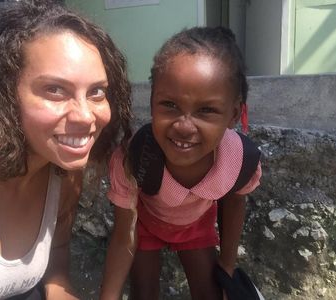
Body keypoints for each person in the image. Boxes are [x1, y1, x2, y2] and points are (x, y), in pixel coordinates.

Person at [0, 0, 132, 299]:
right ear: (4, 93)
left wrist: (60, 289)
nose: (86, 116)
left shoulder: (62, 171)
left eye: (96, 92)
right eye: (55, 90)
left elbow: (56, 253)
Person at [100, 26, 262, 300]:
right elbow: (123, 233)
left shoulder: (239, 160)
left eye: (206, 110)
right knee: (144, 293)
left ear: (234, 113)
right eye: (170, 105)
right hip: (144, 224)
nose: (185, 127)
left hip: (196, 226)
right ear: (151, 102)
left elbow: (234, 202)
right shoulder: (133, 159)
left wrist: (227, 264)